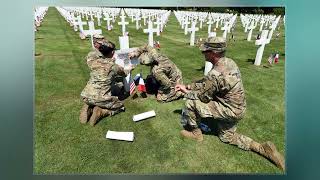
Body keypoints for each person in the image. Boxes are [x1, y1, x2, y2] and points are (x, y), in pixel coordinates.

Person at [174, 37, 285, 171]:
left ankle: (196, 134)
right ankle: (262, 148)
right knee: (226, 137)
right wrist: (189, 85)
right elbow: (206, 83)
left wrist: (185, 92)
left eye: (206, 51)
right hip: (238, 109)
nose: (203, 53)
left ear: (213, 53)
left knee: (191, 103)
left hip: (228, 110)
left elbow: (203, 98)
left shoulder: (215, 75)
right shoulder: (228, 63)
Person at [79, 39, 134, 126]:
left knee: (96, 96)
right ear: (112, 52)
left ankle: (88, 106)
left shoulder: (94, 62)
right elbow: (124, 73)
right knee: (120, 106)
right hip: (102, 98)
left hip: (85, 96)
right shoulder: (113, 67)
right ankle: (101, 111)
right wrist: (129, 68)